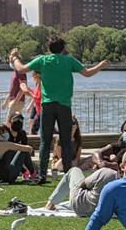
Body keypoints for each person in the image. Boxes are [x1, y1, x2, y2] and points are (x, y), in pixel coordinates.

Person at [12, 35, 108, 181]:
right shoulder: (69, 61)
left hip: (47, 106)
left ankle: (42, 175)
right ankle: (69, 174)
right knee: (66, 140)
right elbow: (87, 73)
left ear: (49, 48)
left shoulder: (42, 60)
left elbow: (21, 69)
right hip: (64, 106)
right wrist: (100, 65)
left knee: (45, 140)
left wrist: (14, 58)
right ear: (63, 48)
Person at [45, 166, 120, 216]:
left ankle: (51, 202)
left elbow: (83, 184)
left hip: (80, 206)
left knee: (74, 170)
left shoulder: (105, 172)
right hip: (104, 212)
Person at [3, 48, 30, 123]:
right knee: (13, 123)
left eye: (11, 60)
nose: (10, 62)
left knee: (9, 123)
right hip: (14, 101)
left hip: (18, 102)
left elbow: (23, 88)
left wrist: (15, 101)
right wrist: (6, 101)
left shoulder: (20, 72)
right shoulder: (15, 72)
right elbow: (13, 88)